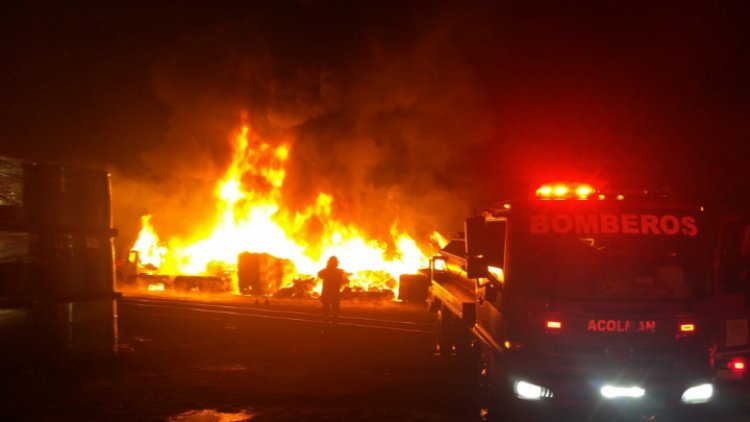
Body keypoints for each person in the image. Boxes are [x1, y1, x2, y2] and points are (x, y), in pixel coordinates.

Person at [317, 256, 348, 324]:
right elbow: (345, 280)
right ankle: (335, 325)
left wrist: (326, 267)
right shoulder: (340, 272)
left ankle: (326, 325)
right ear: (337, 263)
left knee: (326, 311)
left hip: (326, 293)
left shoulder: (326, 271)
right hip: (335, 293)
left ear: (329, 263)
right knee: (335, 311)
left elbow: (319, 275)